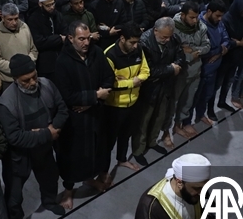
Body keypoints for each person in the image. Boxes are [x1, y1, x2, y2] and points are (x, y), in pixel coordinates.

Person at [0, 54, 69, 219]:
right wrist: (47, 134)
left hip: (43, 149)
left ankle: (49, 201)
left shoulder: (46, 85)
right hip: (19, 156)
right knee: (14, 192)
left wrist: (53, 127)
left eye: (34, 76)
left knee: (50, 178)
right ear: (15, 79)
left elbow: (62, 108)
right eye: (26, 80)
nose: (32, 82)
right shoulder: (7, 102)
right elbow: (15, 137)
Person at [52, 22, 113, 207]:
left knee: (97, 150)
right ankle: (69, 191)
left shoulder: (96, 53)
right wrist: (95, 96)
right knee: (72, 156)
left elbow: (109, 78)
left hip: (95, 115)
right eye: (81, 39)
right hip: (74, 120)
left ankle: (89, 178)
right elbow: (66, 95)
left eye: (88, 38)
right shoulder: (63, 62)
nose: (86, 42)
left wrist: (93, 101)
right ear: (71, 39)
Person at [130, 17, 185, 165]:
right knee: (144, 120)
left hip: (165, 85)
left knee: (159, 116)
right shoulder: (144, 42)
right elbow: (150, 70)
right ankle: (138, 150)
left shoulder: (174, 38)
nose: (167, 40)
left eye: (169, 37)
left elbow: (181, 57)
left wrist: (174, 66)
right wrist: (171, 69)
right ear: (155, 30)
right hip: (149, 88)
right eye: (163, 37)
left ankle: (152, 141)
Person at [102, 23, 151, 172]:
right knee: (108, 142)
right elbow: (109, 83)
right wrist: (134, 82)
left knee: (125, 135)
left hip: (133, 102)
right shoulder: (109, 55)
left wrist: (128, 81)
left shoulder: (139, 50)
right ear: (122, 39)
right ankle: (103, 173)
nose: (136, 46)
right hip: (114, 106)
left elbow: (146, 71)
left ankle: (122, 160)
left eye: (137, 42)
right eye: (132, 42)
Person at [171, 2, 209, 139]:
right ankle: (166, 132)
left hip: (195, 71)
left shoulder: (201, 27)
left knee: (187, 101)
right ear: (183, 15)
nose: (195, 20)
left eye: (196, 17)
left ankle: (178, 125)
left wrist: (194, 51)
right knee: (173, 103)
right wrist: (187, 54)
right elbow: (172, 52)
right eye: (191, 17)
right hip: (179, 73)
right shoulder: (172, 28)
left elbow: (207, 46)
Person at [194, 0, 230, 126]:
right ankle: (185, 123)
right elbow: (203, 49)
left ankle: (200, 114)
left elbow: (226, 39)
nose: (220, 19)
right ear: (209, 11)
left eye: (221, 16)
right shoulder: (199, 25)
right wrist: (220, 50)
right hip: (201, 68)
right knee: (193, 98)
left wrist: (219, 52)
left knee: (207, 94)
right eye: (217, 15)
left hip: (214, 68)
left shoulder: (219, 23)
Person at [0, 2, 38, 89]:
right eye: (10, 19)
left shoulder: (24, 27)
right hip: (9, 81)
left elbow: (33, 50)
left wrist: (27, 65)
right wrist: (18, 69)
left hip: (29, 77)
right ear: (2, 18)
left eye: (16, 18)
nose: (14, 22)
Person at [27, 0, 68, 82]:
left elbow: (66, 33)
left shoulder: (57, 15)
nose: (52, 7)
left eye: (53, 4)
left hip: (61, 57)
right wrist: (59, 38)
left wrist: (55, 40)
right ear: (40, 4)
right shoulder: (34, 19)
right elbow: (39, 42)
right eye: (48, 5)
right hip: (45, 62)